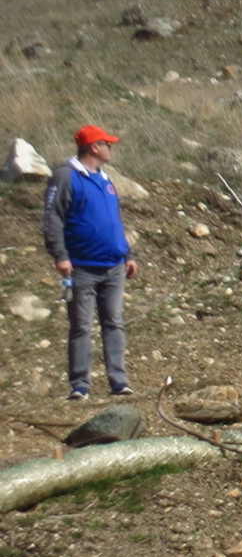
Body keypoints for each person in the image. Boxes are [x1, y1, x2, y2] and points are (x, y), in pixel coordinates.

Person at [42, 125, 139, 401]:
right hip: (82, 267)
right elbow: (52, 218)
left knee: (114, 322)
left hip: (113, 266)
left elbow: (114, 222)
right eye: (107, 144)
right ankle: (80, 385)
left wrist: (128, 255)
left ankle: (118, 381)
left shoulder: (106, 180)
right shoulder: (66, 176)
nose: (111, 148)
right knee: (81, 326)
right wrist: (60, 255)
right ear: (94, 147)